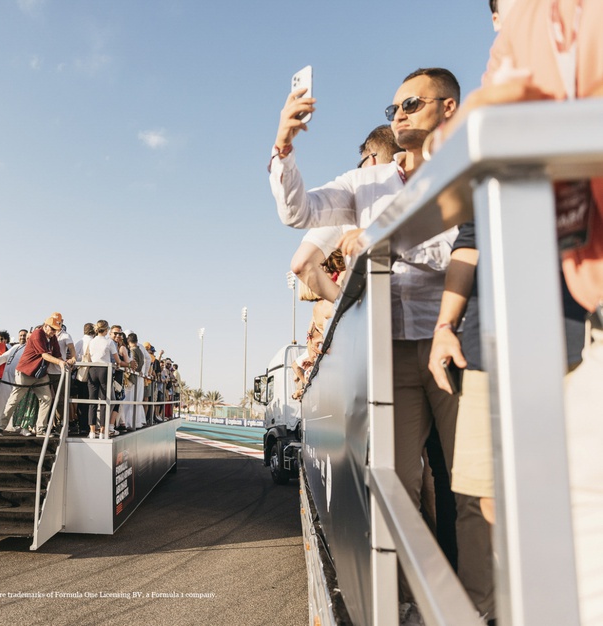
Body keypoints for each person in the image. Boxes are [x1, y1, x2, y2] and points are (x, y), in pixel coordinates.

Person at [270, 67, 492, 617]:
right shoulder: (363, 183)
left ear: (447, 107)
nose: (397, 113)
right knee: (395, 488)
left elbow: (466, 249)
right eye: (393, 106)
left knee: (474, 491)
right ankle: (408, 605)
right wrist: (284, 143)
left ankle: (483, 608)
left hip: (457, 344)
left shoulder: (468, 168)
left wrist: (382, 240)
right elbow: (298, 213)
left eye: (411, 103)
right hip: (390, 350)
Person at [429, 2, 603, 619]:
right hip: (549, 323)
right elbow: (455, 187)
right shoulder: (533, 24)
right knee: (501, 503)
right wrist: (446, 325)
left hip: (558, 320)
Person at [291, 125, 402, 303]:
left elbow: (302, 263)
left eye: (361, 164)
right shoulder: (425, 183)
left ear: (371, 159)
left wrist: (347, 305)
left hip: (376, 316)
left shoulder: (353, 196)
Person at [0, 314, 68, 437]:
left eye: (55, 330)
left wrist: (66, 362)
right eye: (52, 329)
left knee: (47, 399)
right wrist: (60, 363)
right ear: (45, 326)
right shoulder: (37, 334)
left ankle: (40, 429)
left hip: (40, 374)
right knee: (14, 400)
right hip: (25, 372)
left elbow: (57, 355)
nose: (53, 332)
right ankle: (0, 427)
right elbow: (45, 355)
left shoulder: (52, 338)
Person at [87, 320, 122, 438]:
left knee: (92, 401)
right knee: (104, 402)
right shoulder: (109, 342)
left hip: (92, 370)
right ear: (106, 330)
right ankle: (102, 431)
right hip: (104, 370)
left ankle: (92, 431)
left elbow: (88, 357)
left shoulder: (92, 341)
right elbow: (118, 361)